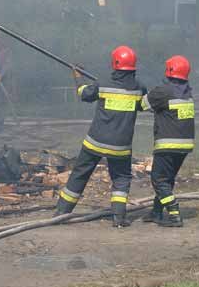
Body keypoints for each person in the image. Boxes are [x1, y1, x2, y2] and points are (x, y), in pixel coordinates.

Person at [55, 46, 148, 228]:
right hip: (120, 146)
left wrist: (78, 75)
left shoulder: (103, 83)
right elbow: (143, 106)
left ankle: (61, 212)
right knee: (121, 179)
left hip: (95, 142)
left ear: (115, 63)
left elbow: (84, 93)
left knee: (80, 175)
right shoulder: (139, 88)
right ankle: (119, 218)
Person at [142, 55, 195, 227]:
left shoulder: (163, 91)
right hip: (185, 145)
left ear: (169, 70)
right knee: (167, 179)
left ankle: (174, 213)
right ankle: (156, 212)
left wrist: (141, 92)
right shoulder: (188, 93)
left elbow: (142, 105)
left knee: (158, 179)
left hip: (167, 144)